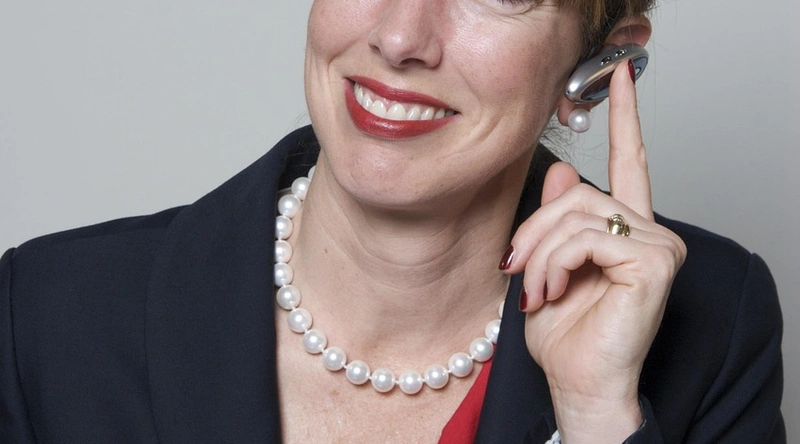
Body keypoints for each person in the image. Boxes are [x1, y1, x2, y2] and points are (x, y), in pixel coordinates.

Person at [0, 0, 785, 442]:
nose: (400, 37)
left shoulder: (716, 327)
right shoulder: (47, 315)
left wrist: (596, 420)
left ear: (599, 67)